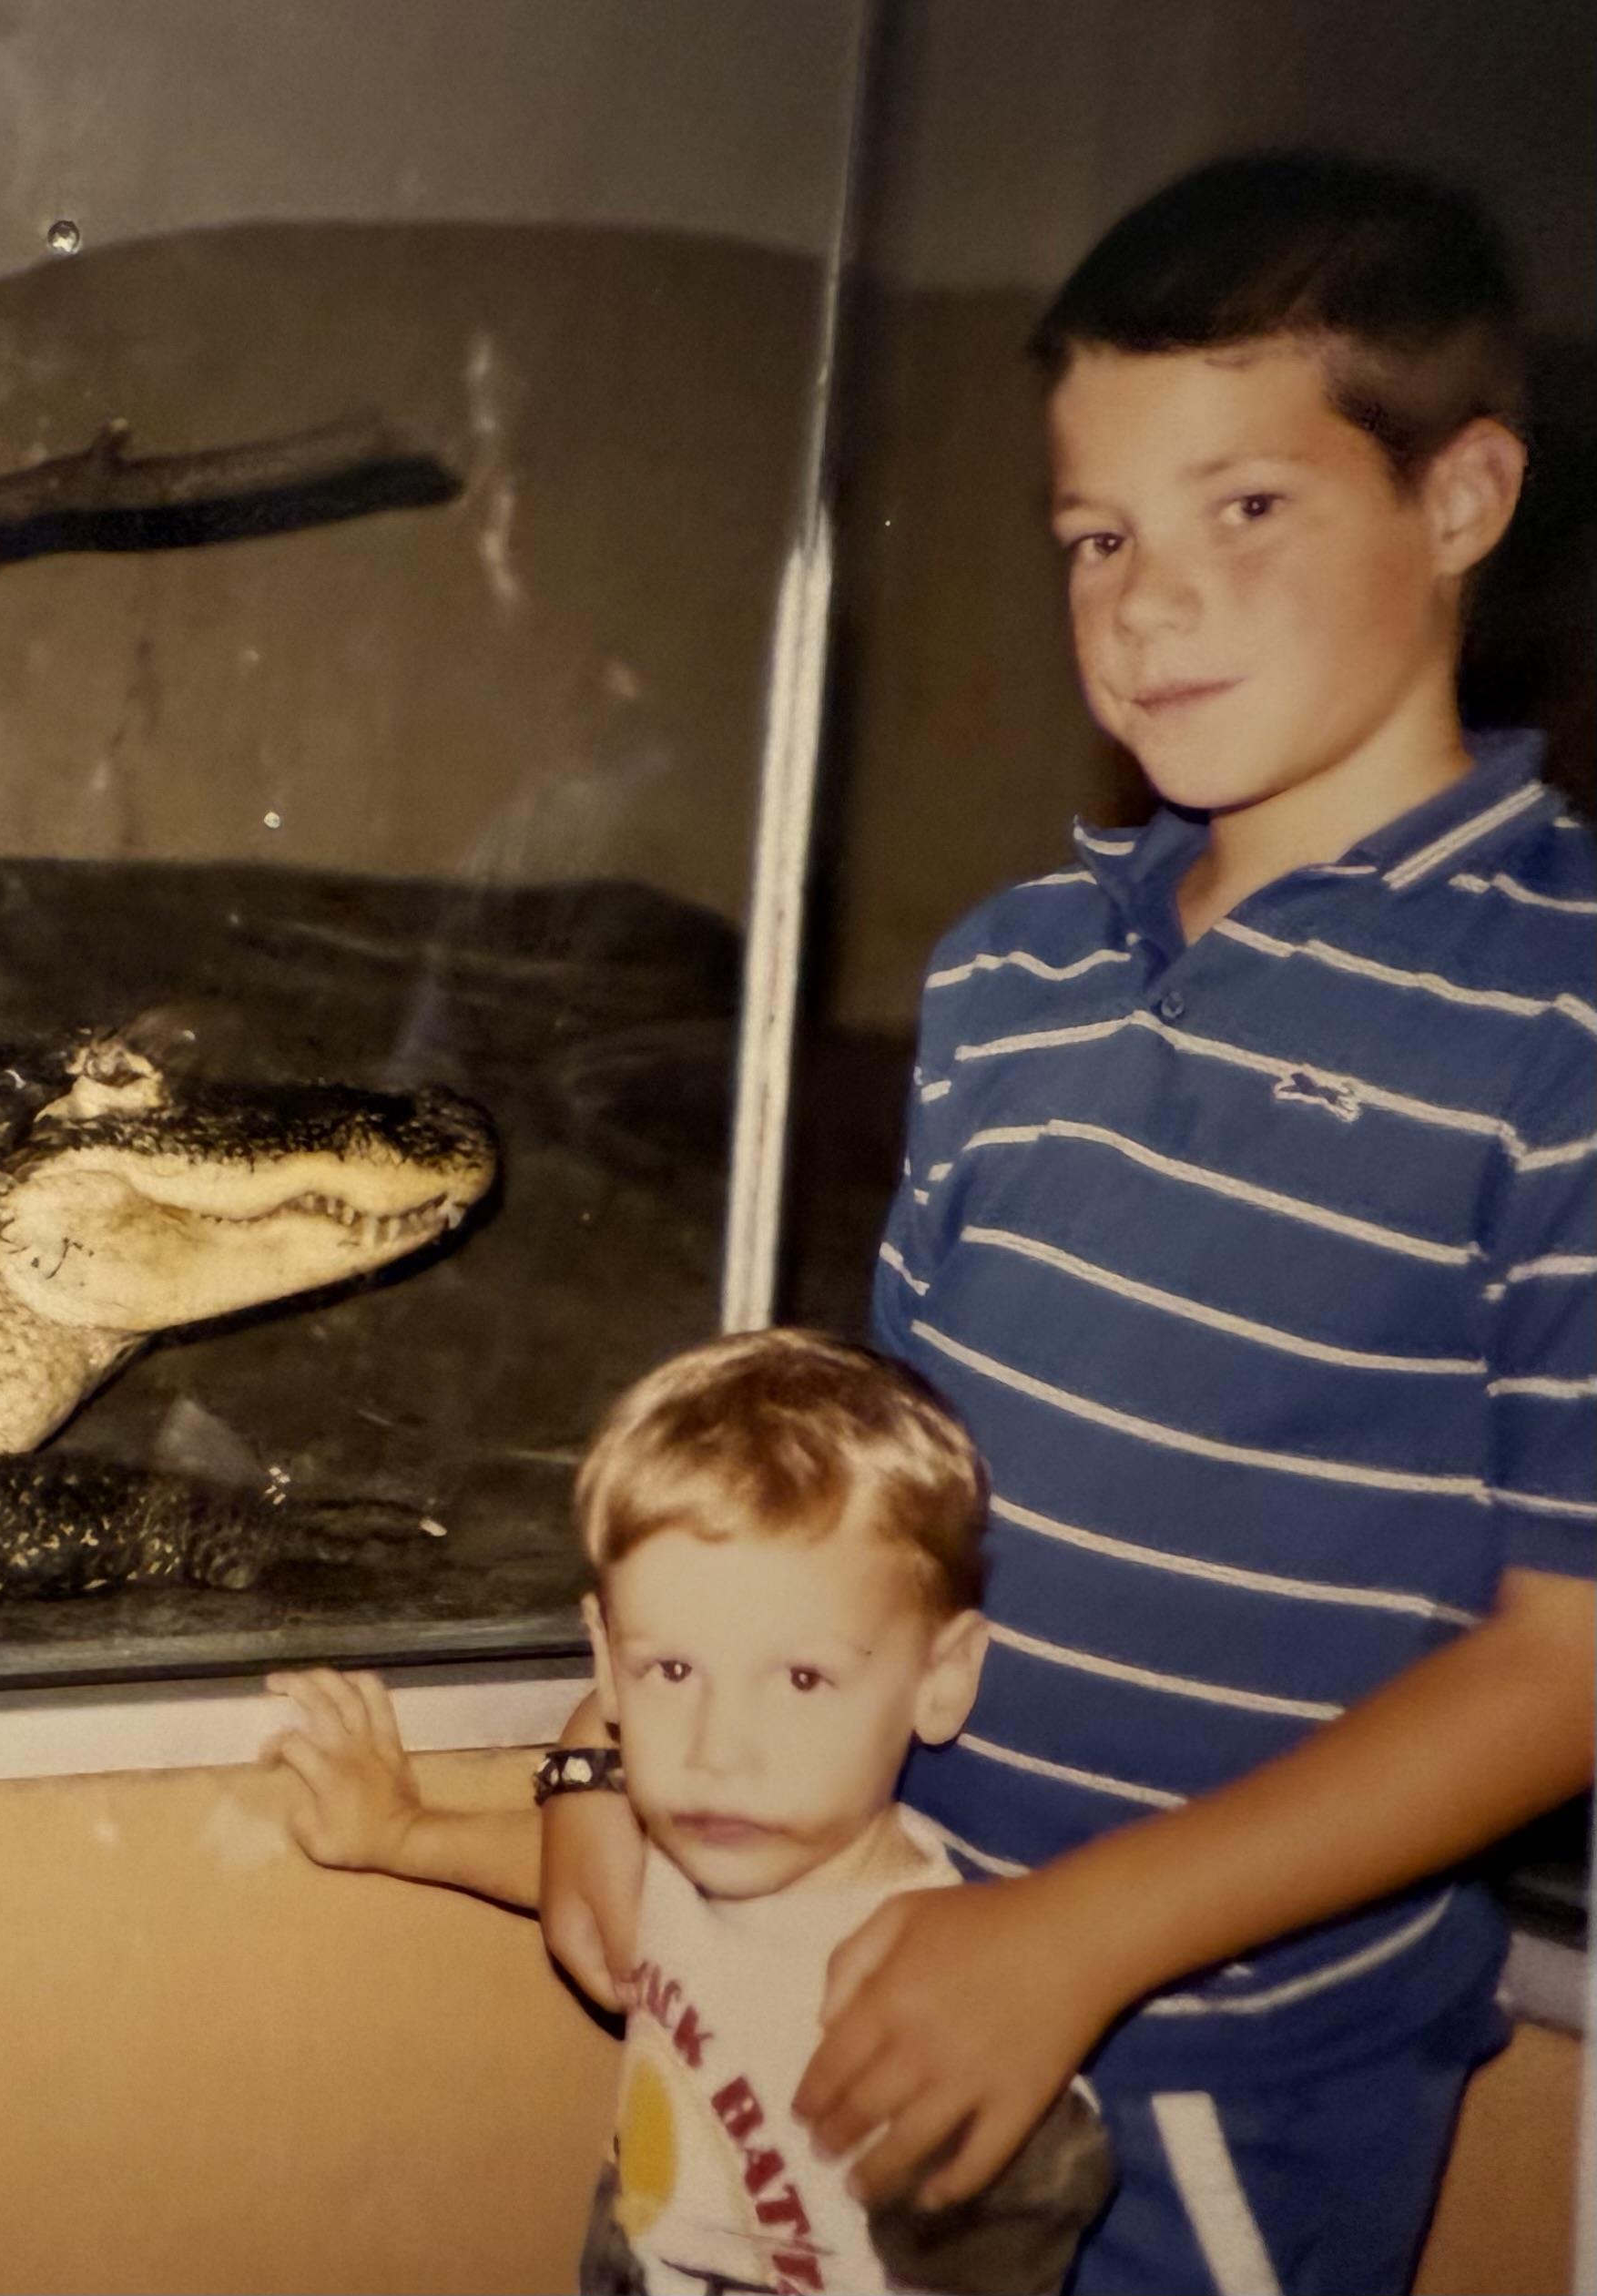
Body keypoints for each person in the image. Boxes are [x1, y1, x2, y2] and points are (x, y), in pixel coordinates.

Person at [540, 149, 1596, 2296]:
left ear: (1464, 498)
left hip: (1215, 2085)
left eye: (1249, 508)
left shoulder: (1559, 1006)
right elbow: (856, 1486)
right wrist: (607, 1755)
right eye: (1095, 533)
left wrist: (1076, 1939)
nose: (1147, 598)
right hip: (837, 1970)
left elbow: (1566, 1664)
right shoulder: (1011, 968)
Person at [270, 1327, 1114, 2296]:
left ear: (940, 1677)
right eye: (672, 1668)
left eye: (801, 1676)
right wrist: (398, 1831)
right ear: (606, 1657)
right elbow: (589, 1884)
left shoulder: (927, 1995)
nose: (718, 1748)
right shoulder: (700, 1848)